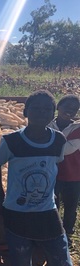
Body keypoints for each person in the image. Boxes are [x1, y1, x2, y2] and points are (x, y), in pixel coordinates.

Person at [0, 90, 73, 266]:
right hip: (17, 213)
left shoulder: (59, 140)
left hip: (47, 212)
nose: (41, 113)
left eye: (47, 109)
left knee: (64, 265)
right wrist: (0, 195)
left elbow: (55, 169)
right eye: (36, 108)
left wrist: (56, 196)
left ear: (53, 114)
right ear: (26, 112)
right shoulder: (11, 141)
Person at [47, 94, 80, 248]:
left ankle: (67, 232)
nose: (70, 111)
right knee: (53, 203)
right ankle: (54, 230)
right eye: (67, 107)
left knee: (71, 206)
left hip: (73, 175)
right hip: (53, 174)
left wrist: (47, 146)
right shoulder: (49, 124)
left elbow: (67, 149)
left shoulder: (77, 129)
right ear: (58, 107)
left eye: (74, 109)